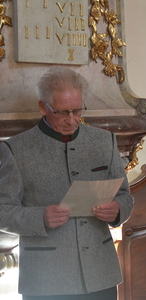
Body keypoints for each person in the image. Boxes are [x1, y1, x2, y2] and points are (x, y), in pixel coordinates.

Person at [0, 67, 134, 300]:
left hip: (100, 274)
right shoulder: (15, 150)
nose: (72, 120)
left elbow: (125, 196)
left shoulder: (105, 141)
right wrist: (39, 217)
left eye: (77, 110)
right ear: (44, 107)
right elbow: (3, 211)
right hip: (46, 279)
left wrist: (118, 210)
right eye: (62, 112)